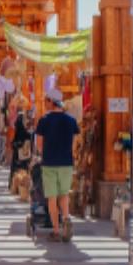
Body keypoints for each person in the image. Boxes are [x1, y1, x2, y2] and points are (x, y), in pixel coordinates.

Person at [35, 89, 80, 242]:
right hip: (66, 163)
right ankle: (66, 220)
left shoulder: (44, 120)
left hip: (49, 163)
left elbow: (39, 144)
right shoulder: (71, 120)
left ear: (51, 102)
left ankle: (55, 230)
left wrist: (44, 153)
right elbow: (75, 143)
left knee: (52, 198)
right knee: (64, 195)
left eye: (45, 100)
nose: (44, 103)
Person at [8, 112, 32, 189]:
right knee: (24, 170)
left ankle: (14, 186)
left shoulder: (17, 131)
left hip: (16, 155)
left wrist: (16, 145)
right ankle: (23, 187)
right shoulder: (26, 133)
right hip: (24, 155)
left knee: (16, 171)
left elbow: (13, 143)